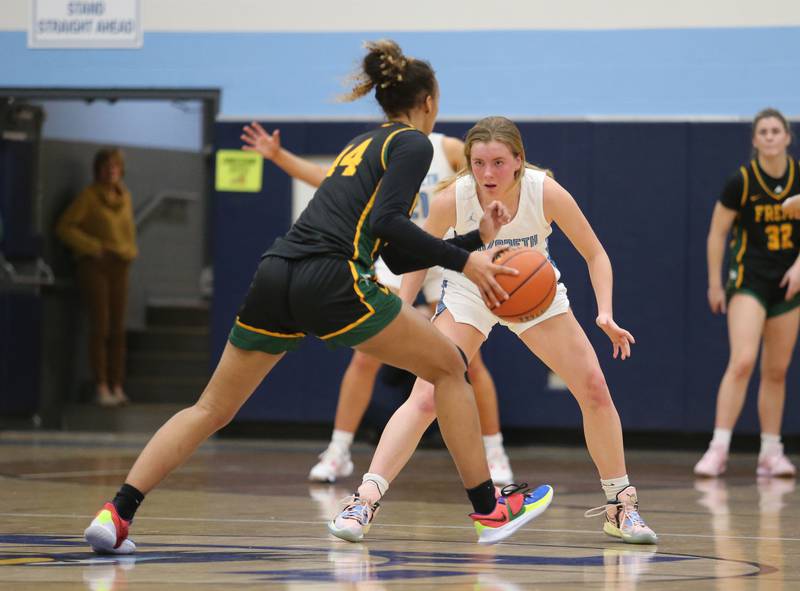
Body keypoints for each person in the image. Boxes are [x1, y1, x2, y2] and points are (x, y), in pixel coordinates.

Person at [82, 40, 553, 555]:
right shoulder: (415, 144)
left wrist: (471, 241)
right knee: (448, 368)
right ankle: (489, 509)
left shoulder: (361, 144)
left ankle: (117, 513)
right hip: (331, 277)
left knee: (211, 407)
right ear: (430, 101)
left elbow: (394, 254)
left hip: (277, 273)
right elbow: (388, 223)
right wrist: (466, 260)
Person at [329, 116, 658, 545]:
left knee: (594, 387)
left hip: (532, 293)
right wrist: (402, 311)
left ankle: (621, 506)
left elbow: (596, 254)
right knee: (426, 395)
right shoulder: (454, 198)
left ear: (519, 161)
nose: (488, 173)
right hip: (469, 292)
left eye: (499, 162)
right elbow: (415, 257)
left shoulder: (546, 192)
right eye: (479, 162)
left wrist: (605, 313)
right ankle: (363, 501)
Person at [240, 123, 515, 485]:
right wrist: (278, 156)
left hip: (446, 250)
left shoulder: (444, 148)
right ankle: (338, 451)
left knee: (468, 361)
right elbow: (326, 177)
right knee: (365, 356)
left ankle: (494, 452)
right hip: (395, 255)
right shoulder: (381, 149)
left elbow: (490, 168)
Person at [694, 108, 800, 478]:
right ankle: (718, 448)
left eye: (776, 131)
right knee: (742, 361)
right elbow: (717, 233)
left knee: (777, 370)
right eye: (763, 132)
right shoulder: (741, 181)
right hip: (748, 280)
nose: (770, 137)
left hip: (788, 282)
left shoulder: (798, 176)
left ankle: (771, 452)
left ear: (788, 137)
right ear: (755, 141)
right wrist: (714, 283)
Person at [57, 148, 137, 407]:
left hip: (121, 265)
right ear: (98, 169)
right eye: (106, 166)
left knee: (118, 329)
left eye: (115, 165)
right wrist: (93, 247)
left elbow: (128, 232)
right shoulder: (89, 197)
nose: (111, 170)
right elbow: (65, 227)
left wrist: (130, 251)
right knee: (101, 327)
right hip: (96, 266)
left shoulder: (125, 197)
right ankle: (101, 386)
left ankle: (117, 385)